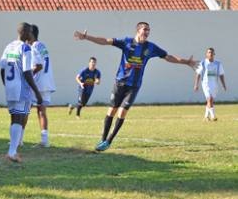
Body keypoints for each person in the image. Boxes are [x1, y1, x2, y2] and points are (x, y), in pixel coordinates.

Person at [74, 22, 196, 152]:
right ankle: (102, 139)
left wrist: (186, 62)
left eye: (148, 30)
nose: (147, 32)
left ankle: (108, 141)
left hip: (134, 86)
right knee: (111, 111)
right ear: (138, 31)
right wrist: (87, 37)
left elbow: (168, 57)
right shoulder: (126, 42)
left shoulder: (151, 47)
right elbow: (105, 41)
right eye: (145, 29)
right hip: (120, 83)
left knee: (122, 113)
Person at [0, 22, 43, 163]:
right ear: (24, 33)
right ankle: (12, 152)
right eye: (29, 32)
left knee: (14, 118)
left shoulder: (9, 46)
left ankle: (13, 150)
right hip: (21, 88)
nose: (31, 35)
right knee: (19, 118)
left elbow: (2, 68)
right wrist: (37, 91)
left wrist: (6, 84)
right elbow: (27, 71)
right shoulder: (25, 48)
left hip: (10, 86)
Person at [28, 24, 55, 147]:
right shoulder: (42, 45)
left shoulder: (33, 47)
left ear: (30, 34)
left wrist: (27, 76)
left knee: (24, 109)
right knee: (41, 111)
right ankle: (44, 140)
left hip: (39, 82)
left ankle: (19, 139)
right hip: (47, 81)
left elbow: (38, 66)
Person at [194, 48, 226, 121]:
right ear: (206, 54)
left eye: (211, 52)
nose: (210, 54)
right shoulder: (203, 63)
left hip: (214, 84)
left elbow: (221, 74)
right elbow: (198, 74)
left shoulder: (218, 63)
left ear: (214, 54)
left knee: (210, 100)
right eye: (208, 52)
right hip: (205, 84)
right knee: (210, 99)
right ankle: (213, 116)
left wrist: (224, 85)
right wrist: (196, 84)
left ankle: (206, 117)